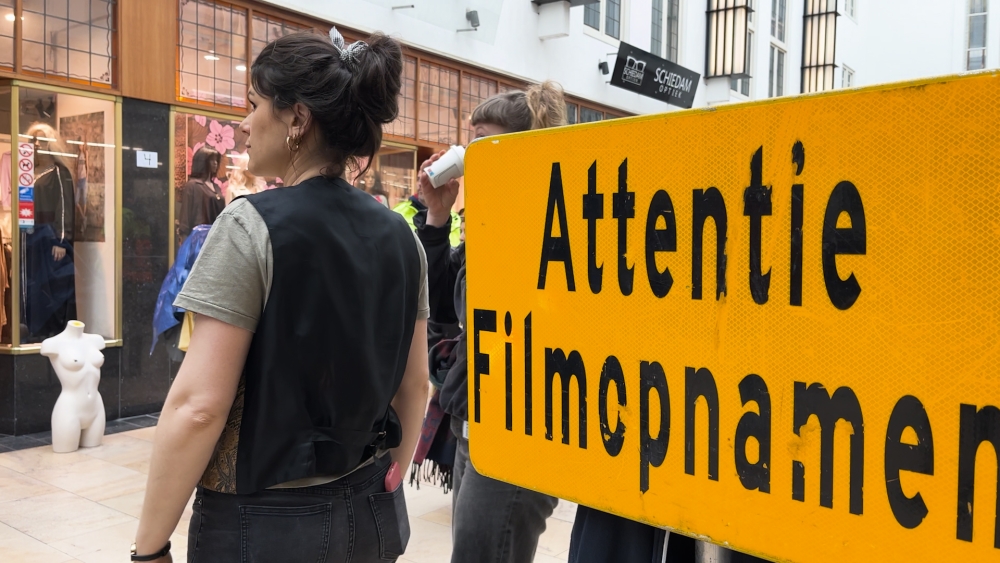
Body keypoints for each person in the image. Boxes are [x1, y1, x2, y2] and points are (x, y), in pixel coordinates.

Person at [133, 28, 429, 563]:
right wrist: (393, 476)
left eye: (254, 104)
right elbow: (413, 386)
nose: (244, 124)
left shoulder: (249, 226)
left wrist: (149, 549)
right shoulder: (402, 236)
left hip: (264, 526)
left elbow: (199, 407)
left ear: (297, 118)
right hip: (371, 516)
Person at [414, 81, 566, 563]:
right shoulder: (488, 221)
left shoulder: (543, 225)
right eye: (469, 139)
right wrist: (437, 217)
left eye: (483, 139)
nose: (469, 152)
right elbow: (441, 311)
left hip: (517, 431)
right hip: (474, 424)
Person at [23, 123, 76, 342]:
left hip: (50, 239)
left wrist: (61, 241)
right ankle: (34, 330)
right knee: (33, 285)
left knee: (53, 288)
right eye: (33, 141)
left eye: (42, 140)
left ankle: (53, 331)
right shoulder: (29, 173)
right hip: (32, 238)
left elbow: (64, 207)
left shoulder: (59, 172)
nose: (37, 145)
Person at [393, 175, 462, 246]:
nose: (420, 184)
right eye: (419, 179)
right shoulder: (398, 211)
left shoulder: (455, 219)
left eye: (428, 179)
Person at [177, 146, 223, 240]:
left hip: (216, 239)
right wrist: (184, 240)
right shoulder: (193, 185)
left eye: (216, 160)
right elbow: (185, 217)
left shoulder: (216, 188)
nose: (215, 163)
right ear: (203, 162)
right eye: (211, 160)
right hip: (199, 239)